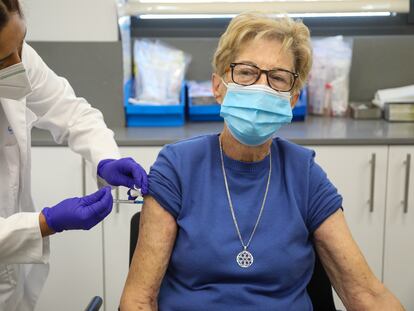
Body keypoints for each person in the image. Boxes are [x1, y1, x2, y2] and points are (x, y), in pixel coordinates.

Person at [120, 12, 404, 311]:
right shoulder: (177, 167)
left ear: (292, 100)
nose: (261, 88)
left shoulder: (304, 175)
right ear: (218, 87)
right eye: (246, 72)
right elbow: (139, 299)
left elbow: (366, 293)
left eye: (278, 78)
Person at [0, 1, 148, 310]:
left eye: (22, 43)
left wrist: (105, 158)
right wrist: (45, 223)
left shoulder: (14, 53)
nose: (19, 67)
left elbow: (71, 112)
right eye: (2, 60)